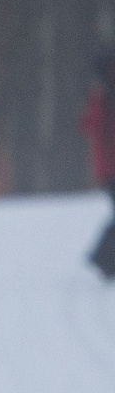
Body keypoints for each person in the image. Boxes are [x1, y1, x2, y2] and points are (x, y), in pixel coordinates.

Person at [86, 49, 115, 280]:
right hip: (109, 169)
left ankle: (104, 260)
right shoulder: (102, 96)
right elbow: (89, 125)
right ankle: (102, 259)